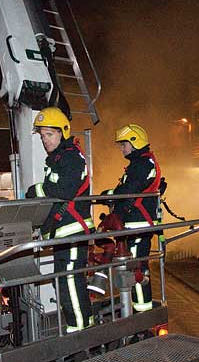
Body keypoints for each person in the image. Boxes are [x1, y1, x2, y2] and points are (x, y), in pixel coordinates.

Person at [25, 106, 94, 333]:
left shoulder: (72, 157)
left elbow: (63, 190)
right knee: (66, 284)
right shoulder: (59, 158)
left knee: (71, 284)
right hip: (63, 234)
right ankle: (80, 329)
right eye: (43, 136)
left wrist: (37, 190)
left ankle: (81, 334)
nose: (45, 140)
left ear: (63, 132)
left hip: (72, 234)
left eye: (50, 134)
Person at [102, 123, 162, 313]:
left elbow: (128, 191)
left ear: (135, 142)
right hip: (135, 226)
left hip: (138, 226)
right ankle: (137, 308)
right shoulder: (141, 164)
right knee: (133, 267)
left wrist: (110, 194)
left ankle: (141, 312)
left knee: (136, 268)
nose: (122, 148)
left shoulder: (142, 165)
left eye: (124, 144)